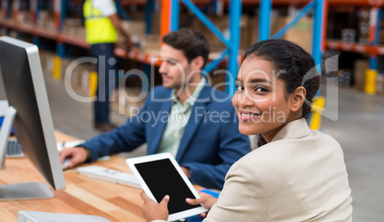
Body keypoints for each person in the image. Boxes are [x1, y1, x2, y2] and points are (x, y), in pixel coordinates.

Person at [141, 39, 353, 222]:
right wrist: (227, 208)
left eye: (260, 89)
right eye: (241, 87)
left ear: (297, 98)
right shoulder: (330, 146)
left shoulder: (252, 169)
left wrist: (157, 218)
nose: (240, 101)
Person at [60, 28, 251, 190]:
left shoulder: (225, 108)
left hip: (191, 199)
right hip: (150, 192)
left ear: (197, 63)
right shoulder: (158, 96)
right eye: (162, 61)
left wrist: (187, 172)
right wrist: (86, 150)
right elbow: (124, 136)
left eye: (171, 63)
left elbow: (236, 171)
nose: (162, 69)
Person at [83, 0, 133, 132]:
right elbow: (115, 22)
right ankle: (102, 121)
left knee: (103, 83)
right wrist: (127, 38)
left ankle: (100, 120)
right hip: (103, 46)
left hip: (99, 44)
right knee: (106, 83)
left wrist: (116, 41)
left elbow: (102, 25)